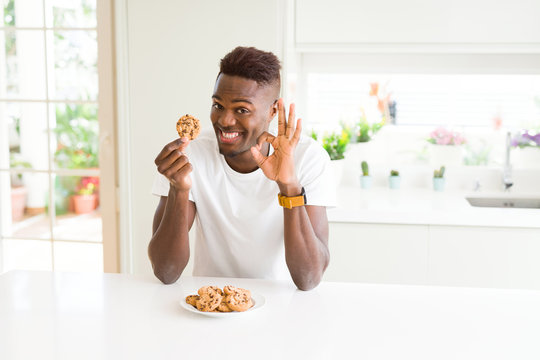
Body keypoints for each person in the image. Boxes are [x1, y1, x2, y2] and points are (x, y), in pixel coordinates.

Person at [149, 46, 336, 291]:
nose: (225, 121)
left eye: (242, 110)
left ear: (273, 111)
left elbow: (309, 278)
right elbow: (166, 271)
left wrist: (289, 187)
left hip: (281, 303)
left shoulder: (308, 158)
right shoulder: (189, 156)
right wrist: (179, 191)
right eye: (218, 106)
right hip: (211, 304)